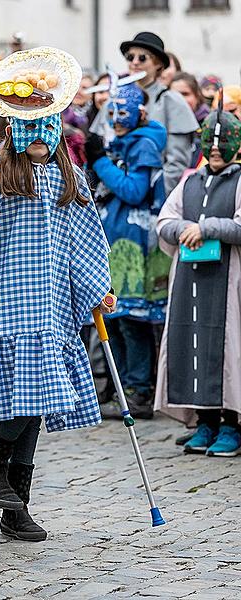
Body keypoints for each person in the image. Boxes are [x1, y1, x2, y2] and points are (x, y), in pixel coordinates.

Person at [0, 47, 115, 542]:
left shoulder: (65, 179)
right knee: (22, 397)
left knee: (36, 397)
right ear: (15, 130)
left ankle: (15, 506)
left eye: (48, 130)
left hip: (48, 307)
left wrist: (99, 290)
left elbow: (83, 239)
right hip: (2, 306)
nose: (40, 141)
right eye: (30, 131)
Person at [155, 109, 241, 457]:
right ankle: (205, 422)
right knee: (191, 344)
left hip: (228, 282)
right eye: (211, 141)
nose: (216, 149)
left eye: (223, 142)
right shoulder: (190, 181)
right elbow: (165, 220)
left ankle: (232, 425)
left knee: (228, 350)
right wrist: (182, 230)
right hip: (188, 280)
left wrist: (207, 228)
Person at [85, 81, 167, 419]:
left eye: (123, 113)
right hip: (111, 242)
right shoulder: (117, 143)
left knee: (132, 320)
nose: (117, 119)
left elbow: (134, 191)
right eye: (112, 112)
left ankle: (138, 392)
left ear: (139, 114)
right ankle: (119, 390)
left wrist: (100, 161)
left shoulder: (144, 145)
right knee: (112, 319)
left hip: (133, 245)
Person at [120, 32, 198, 195]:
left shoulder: (171, 100)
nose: (134, 62)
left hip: (153, 194)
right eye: (130, 57)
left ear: (157, 64)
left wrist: (157, 197)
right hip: (116, 188)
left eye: (142, 58)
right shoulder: (116, 98)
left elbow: (177, 161)